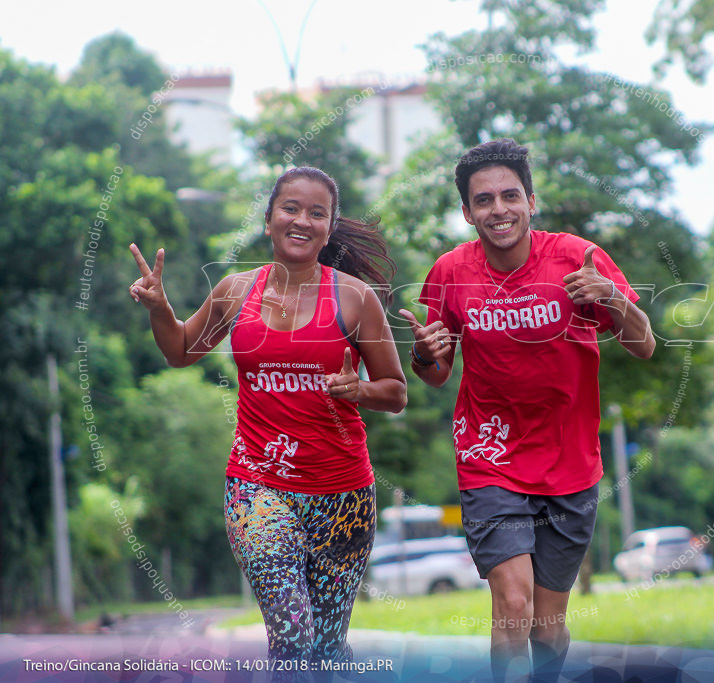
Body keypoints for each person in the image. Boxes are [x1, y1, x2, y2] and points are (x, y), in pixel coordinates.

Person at [129, 166, 407, 671]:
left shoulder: (354, 298)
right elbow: (181, 350)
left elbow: (396, 391)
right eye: (291, 208)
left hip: (342, 496)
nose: (302, 220)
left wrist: (358, 389)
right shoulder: (237, 291)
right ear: (269, 219)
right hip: (258, 487)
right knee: (292, 630)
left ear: (330, 226)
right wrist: (159, 307)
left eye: (316, 213)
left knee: (324, 649)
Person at [400, 139, 655, 681]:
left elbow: (644, 344)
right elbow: (435, 371)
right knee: (512, 607)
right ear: (468, 212)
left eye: (510, 196)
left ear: (531, 201)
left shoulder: (576, 258)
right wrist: (424, 354)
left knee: (546, 626)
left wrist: (610, 297)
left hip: (569, 462)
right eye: (484, 201)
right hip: (488, 455)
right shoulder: (449, 273)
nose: (499, 210)